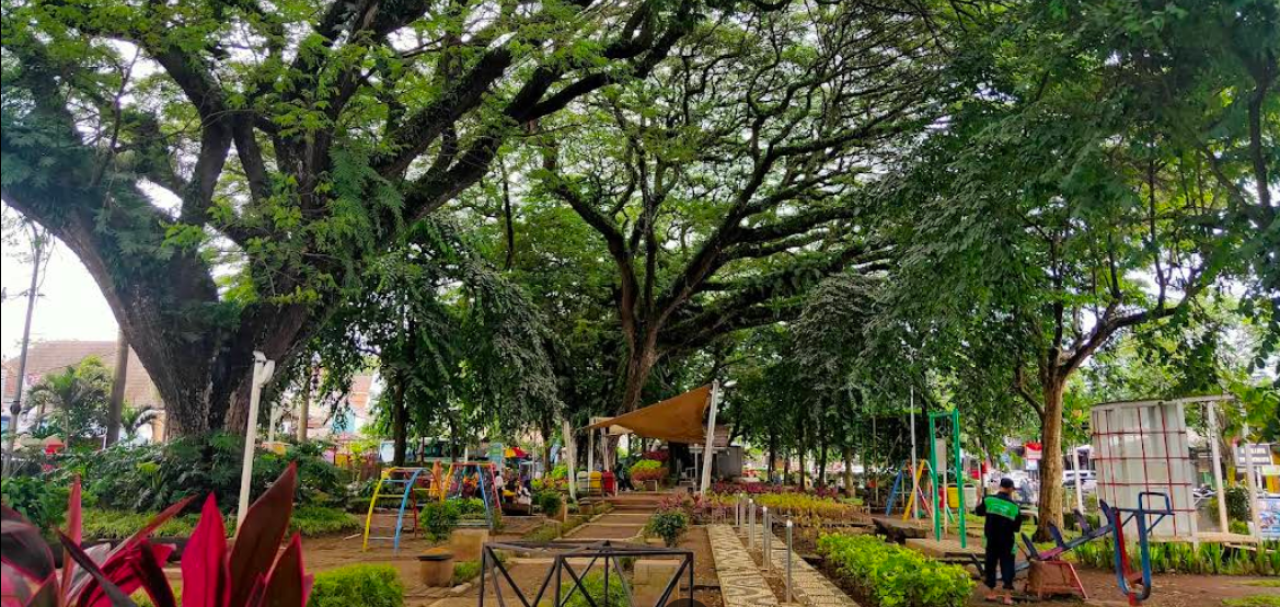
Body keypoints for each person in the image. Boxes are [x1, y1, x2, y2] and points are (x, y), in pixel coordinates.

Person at [975, 478, 1024, 605]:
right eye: (1012, 489)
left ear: (1001, 486)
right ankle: (1007, 597)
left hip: (991, 540)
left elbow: (978, 512)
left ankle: (992, 593)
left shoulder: (989, 500)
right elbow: (1017, 528)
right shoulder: (1014, 507)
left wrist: (978, 497)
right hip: (1007, 542)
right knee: (1007, 566)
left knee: (990, 565)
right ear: (1009, 489)